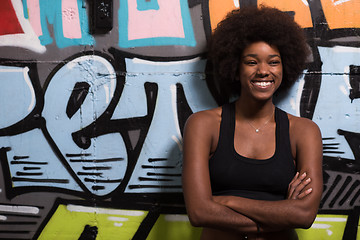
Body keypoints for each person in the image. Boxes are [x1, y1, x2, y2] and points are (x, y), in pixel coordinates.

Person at [182, 6, 323, 240]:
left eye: (273, 62)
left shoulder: (303, 131)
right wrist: (278, 216)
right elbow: (199, 213)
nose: (263, 71)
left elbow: (304, 215)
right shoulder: (203, 125)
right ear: (235, 68)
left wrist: (227, 201)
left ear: (284, 67)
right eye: (251, 62)